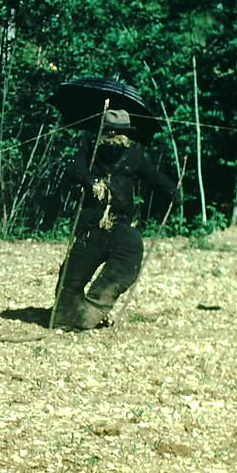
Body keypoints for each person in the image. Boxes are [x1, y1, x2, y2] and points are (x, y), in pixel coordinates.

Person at [52, 109, 178, 331]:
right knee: (71, 278)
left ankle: (92, 309)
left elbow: (153, 175)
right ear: (102, 132)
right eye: (109, 131)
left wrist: (171, 190)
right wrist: (89, 179)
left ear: (125, 134)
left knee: (129, 254)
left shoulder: (133, 156)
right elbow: (72, 169)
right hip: (90, 227)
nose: (113, 137)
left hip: (119, 225)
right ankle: (64, 315)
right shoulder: (89, 151)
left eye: (118, 132)